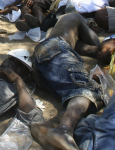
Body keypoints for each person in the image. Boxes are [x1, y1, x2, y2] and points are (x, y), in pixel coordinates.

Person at [31, 13, 102, 150]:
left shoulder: (61, 29)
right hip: (55, 49)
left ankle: (47, 127)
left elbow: (85, 48)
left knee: (93, 98)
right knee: (88, 90)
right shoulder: (76, 17)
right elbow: (97, 44)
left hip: (43, 61)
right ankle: (63, 130)